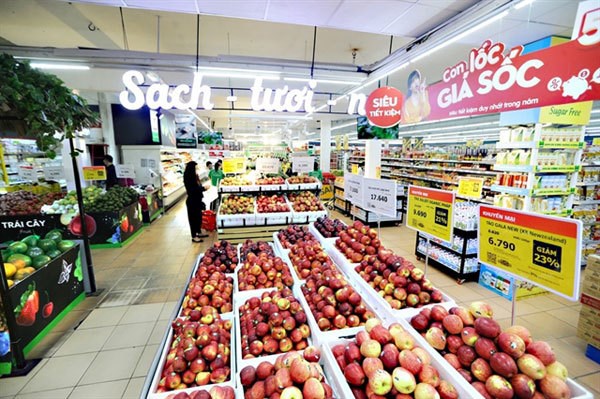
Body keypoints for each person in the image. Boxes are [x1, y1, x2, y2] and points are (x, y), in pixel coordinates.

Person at [183, 161, 208, 242]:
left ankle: (199, 232)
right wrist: (203, 188)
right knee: (193, 219)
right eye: (196, 168)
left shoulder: (194, 176)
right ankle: (194, 236)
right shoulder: (188, 177)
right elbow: (192, 190)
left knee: (198, 217)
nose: (197, 169)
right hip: (192, 201)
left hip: (197, 199)